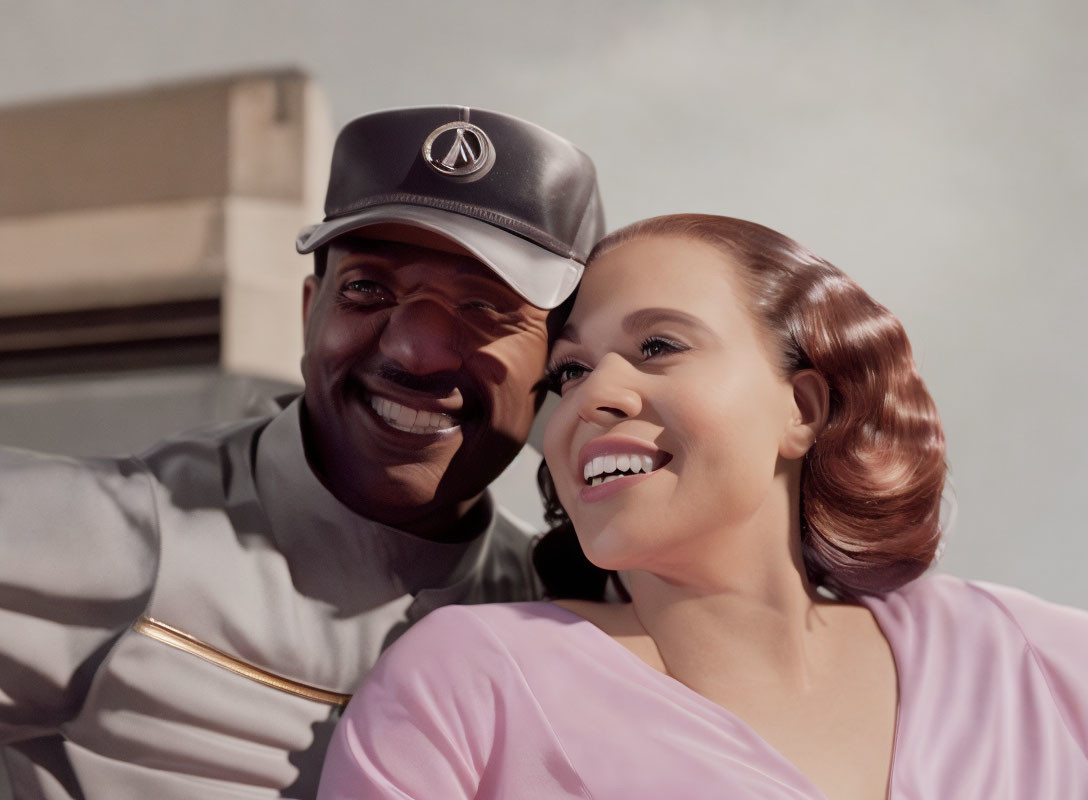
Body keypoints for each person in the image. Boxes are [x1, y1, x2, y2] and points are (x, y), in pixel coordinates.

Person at [317, 214, 1088, 799]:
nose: (594, 399)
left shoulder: (1035, 657)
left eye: (658, 346)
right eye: (571, 372)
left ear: (804, 408)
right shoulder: (466, 682)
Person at [0, 106, 605, 798]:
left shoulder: (566, 611)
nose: (415, 349)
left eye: (486, 307)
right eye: (367, 290)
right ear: (309, 312)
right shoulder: (115, 534)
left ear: (559, 367)